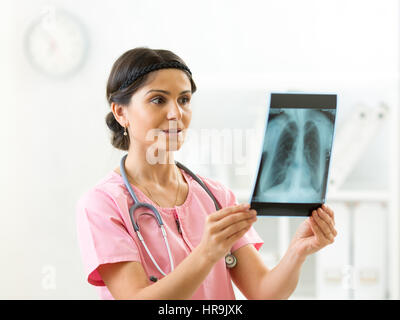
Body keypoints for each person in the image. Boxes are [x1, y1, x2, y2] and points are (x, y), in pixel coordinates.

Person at [76, 47, 337, 300]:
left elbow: (264, 292)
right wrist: (208, 252)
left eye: (184, 100)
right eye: (158, 100)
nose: (175, 113)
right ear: (121, 112)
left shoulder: (215, 196)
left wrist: (298, 251)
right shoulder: (103, 204)